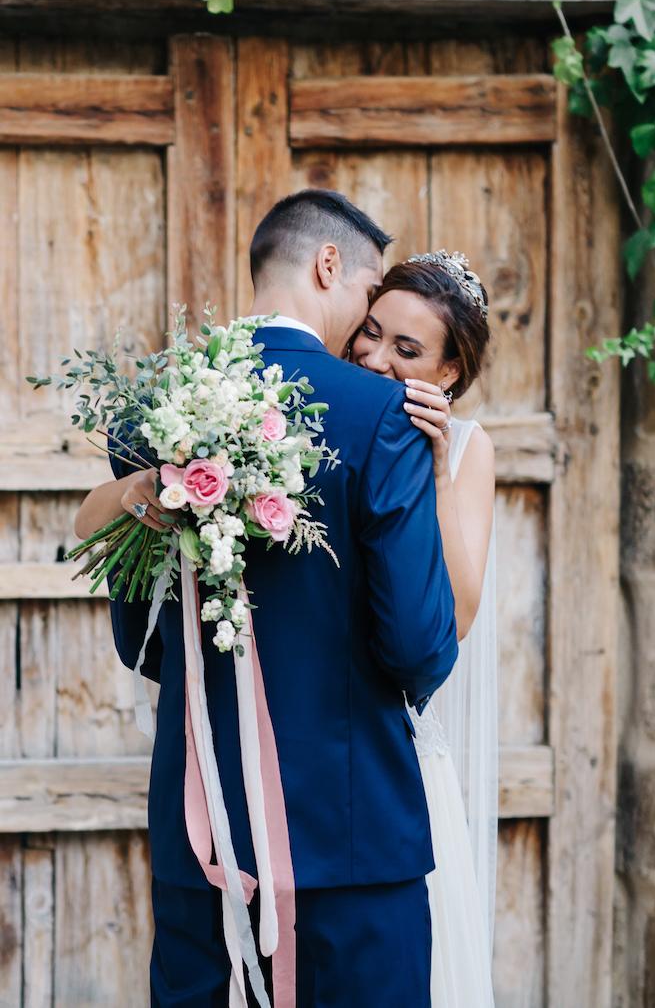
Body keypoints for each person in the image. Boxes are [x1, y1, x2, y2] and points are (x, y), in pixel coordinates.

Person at [74, 189, 459, 1007]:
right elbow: (418, 647)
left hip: (201, 840)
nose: (364, 335)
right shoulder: (382, 418)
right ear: (329, 265)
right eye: (365, 300)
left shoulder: (161, 414)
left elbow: (138, 641)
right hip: (355, 846)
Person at [351, 250, 497, 1006]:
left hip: (402, 743)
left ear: (446, 375)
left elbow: (459, 615)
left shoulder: (470, 451)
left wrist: (437, 471)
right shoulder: (340, 415)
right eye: (369, 333)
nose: (374, 358)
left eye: (406, 351)